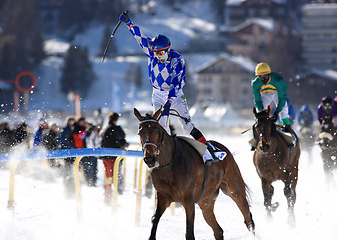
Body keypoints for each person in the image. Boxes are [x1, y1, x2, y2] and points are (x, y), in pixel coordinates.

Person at [119, 12, 225, 163]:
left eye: (161, 53)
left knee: (187, 126)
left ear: (168, 49)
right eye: (155, 53)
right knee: (162, 127)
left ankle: (209, 152)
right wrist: (129, 23)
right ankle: (165, 159)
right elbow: (140, 37)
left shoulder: (177, 60)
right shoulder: (151, 52)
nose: (158, 56)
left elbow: (175, 84)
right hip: (157, 94)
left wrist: (169, 103)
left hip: (174, 95)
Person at [250, 63, 294, 150]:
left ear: (269, 74)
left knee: (284, 109)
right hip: (264, 94)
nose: (262, 78)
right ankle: (255, 139)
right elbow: (258, 100)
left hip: (276, 93)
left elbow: (282, 99)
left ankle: (288, 133)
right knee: (259, 113)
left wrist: (277, 112)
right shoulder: (255, 83)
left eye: (264, 76)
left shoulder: (278, 81)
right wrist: (261, 112)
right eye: (260, 76)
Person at [99, 112, 127, 204]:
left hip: (106, 155)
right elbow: (115, 141)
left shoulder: (105, 127)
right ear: (116, 119)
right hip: (113, 156)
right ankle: (110, 198)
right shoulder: (114, 129)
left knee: (109, 177)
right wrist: (122, 144)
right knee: (114, 177)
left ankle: (108, 196)